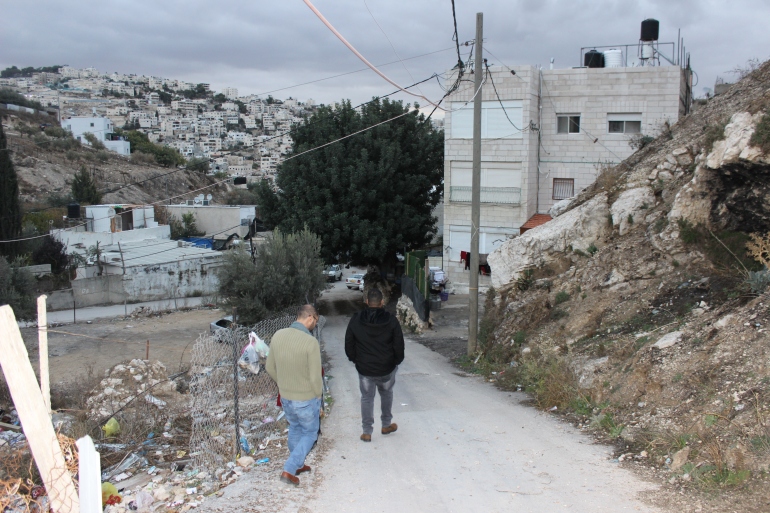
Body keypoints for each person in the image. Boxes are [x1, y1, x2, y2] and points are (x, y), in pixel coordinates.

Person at [266, 304, 322, 486]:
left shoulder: (278, 335)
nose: (315, 325)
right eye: (316, 321)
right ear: (310, 317)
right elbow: (315, 377)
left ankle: (297, 464)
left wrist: (283, 384)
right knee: (310, 433)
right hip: (306, 398)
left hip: (286, 397)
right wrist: (319, 397)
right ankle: (289, 469)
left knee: (295, 428)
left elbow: (269, 367)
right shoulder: (310, 342)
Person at [345, 287, 405, 442]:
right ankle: (386, 425)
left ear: (366, 302)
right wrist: (396, 361)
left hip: (365, 369)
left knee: (366, 398)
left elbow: (349, 343)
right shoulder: (391, 319)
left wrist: (355, 360)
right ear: (382, 302)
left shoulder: (356, 319)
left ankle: (367, 432)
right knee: (386, 393)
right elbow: (399, 343)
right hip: (387, 368)